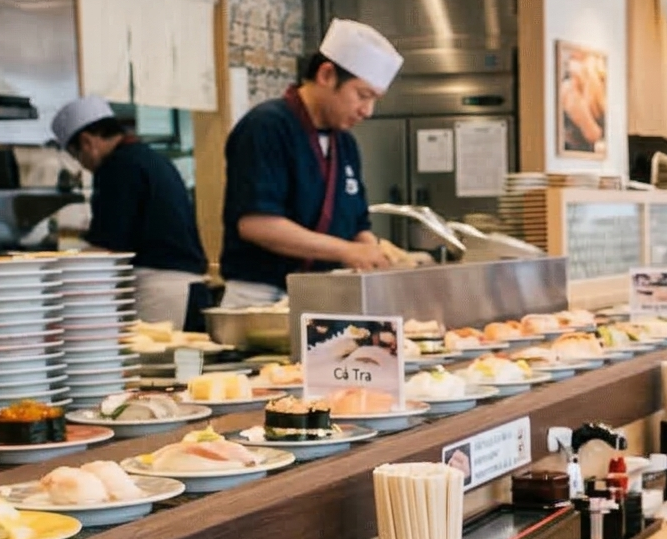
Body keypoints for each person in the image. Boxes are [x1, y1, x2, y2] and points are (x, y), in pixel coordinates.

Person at [222, 18, 403, 303]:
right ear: (326, 75)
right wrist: (347, 251)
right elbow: (257, 224)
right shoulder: (266, 126)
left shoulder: (344, 142)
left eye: (374, 99)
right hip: (261, 296)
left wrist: (373, 253)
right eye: (362, 95)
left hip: (323, 293)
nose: (367, 111)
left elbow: (357, 225)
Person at [50, 97, 208, 327]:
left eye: (77, 157)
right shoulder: (150, 158)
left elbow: (109, 246)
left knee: (159, 361)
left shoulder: (117, 167)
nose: (83, 165)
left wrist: (54, 270)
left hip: (161, 293)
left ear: (87, 142)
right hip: (189, 288)